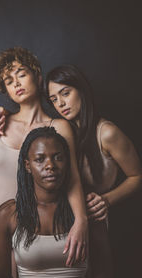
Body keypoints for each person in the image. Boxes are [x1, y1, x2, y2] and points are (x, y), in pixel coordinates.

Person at [0, 48, 88, 278]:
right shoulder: (0, 120)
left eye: (21, 74)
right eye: (9, 81)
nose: (16, 83)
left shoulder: (58, 127)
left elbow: (72, 177)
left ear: (37, 77)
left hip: (18, 231)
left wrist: (81, 220)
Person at [0, 126, 113, 278]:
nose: (50, 166)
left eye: (58, 158)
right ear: (27, 165)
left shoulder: (87, 211)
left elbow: (105, 275)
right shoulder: (8, 214)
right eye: (40, 159)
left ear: (68, 162)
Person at [45, 64, 142, 220]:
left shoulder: (106, 133)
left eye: (65, 93)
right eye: (54, 99)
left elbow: (137, 176)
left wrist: (107, 200)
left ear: (81, 90)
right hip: (65, 218)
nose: (60, 103)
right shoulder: (60, 133)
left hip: (98, 221)